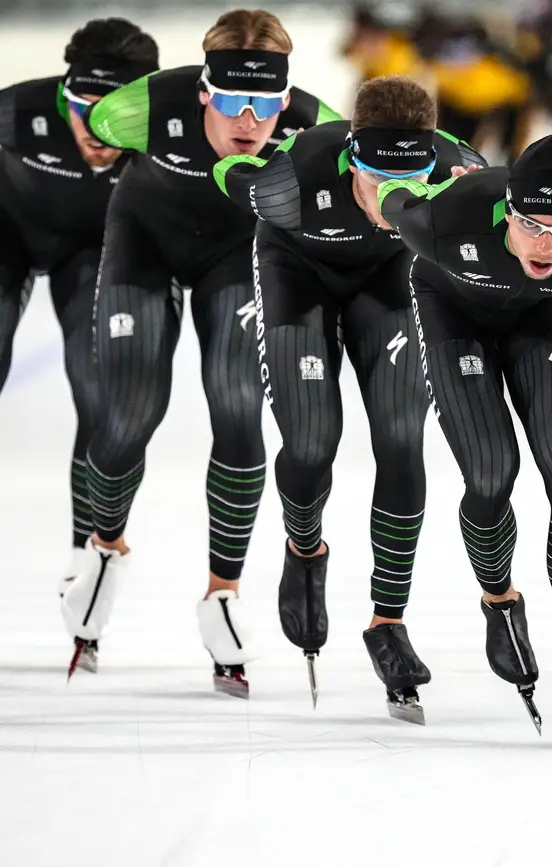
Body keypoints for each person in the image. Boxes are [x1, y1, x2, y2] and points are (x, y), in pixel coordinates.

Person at [60, 9, 341, 692]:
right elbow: (88, 129)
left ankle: (223, 595)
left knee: (240, 411)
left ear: (285, 99)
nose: (249, 120)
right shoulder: (144, 106)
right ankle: (106, 544)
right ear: (203, 91)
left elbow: (370, 179)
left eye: (265, 103)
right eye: (234, 99)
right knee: (126, 416)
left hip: (236, 257)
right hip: (144, 246)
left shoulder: (315, 128)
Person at [213, 74, 486, 722]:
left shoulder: (458, 169)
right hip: (296, 276)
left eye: (411, 176)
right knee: (311, 446)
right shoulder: (292, 178)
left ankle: (388, 621)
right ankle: (304, 550)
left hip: (389, 282)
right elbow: (230, 173)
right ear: (351, 157)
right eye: (376, 175)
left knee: (401, 438)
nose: (392, 194)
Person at [376, 135, 552, 748]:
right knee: (491, 472)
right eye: (530, 225)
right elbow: (391, 197)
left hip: (546, 318)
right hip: (452, 312)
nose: (546, 244)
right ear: (506, 210)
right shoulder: (446, 219)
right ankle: (500, 601)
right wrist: (407, 184)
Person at [0, 18, 159, 599]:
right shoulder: (17, 111)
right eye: (80, 107)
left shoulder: (168, 126)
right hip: (8, 238)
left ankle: (85, 553)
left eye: (112, 115)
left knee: (100, 390)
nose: (94, 129)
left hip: (94, 251)